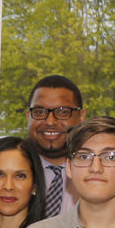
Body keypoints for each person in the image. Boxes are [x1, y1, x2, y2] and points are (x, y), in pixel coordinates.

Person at [24, 75, 85, 216]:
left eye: (63, 112)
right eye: (39, 112)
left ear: (81, 116)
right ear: (28, 116)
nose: (50, 122)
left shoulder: (98, 173)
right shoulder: (9, 174)